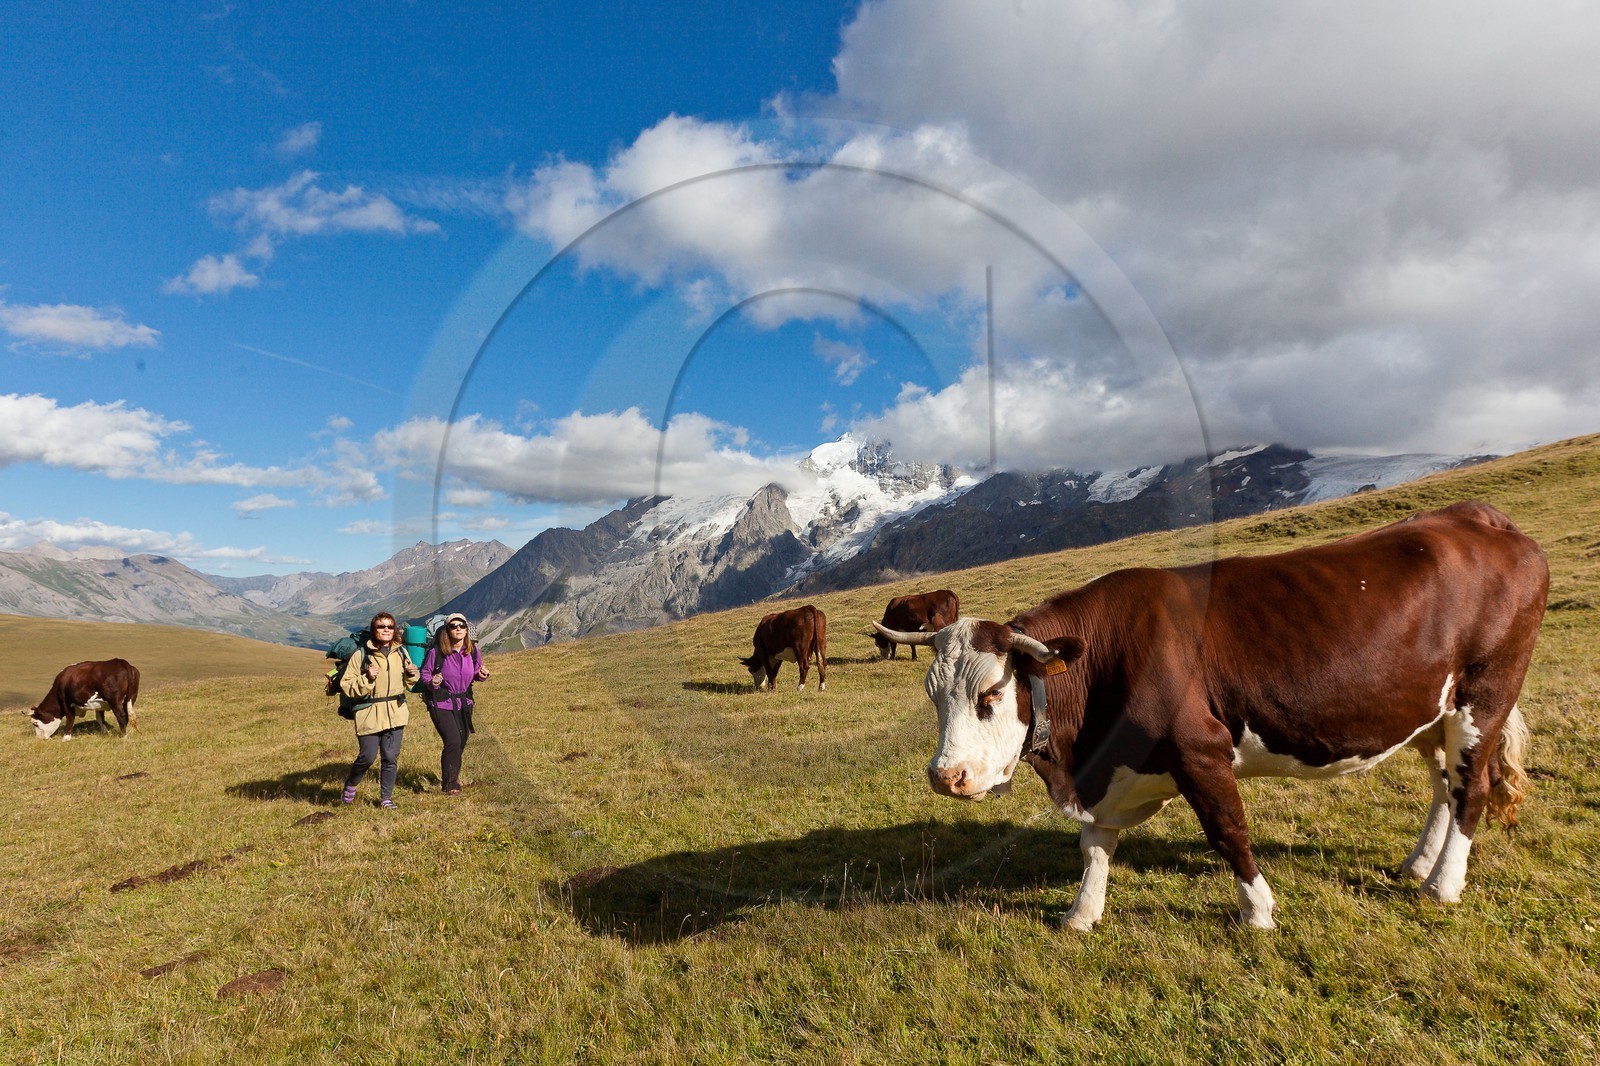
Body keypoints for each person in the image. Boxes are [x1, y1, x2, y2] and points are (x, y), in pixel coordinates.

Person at [339, 611, 420, 809]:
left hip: (395, 710)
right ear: (374, 629)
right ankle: (351, 786)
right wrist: (367, 678)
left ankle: (386, 798)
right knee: (367, 757)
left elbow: (409, 683)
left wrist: (413, 673)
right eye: (381, 626)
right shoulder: (361, 654)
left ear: (395, 630)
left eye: (390, 626)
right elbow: (347, 685)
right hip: (369, 712)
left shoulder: (400, 652)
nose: (386, 630)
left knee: (390, 757)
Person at [420, 612, 490, 795]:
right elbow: (425, 674)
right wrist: (432, 681)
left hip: (464, 702)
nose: (458, 629)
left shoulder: (472, 651)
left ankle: (453, 776)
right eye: (454, 626)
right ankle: (450, 783)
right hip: (441, 703)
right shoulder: (437, 652)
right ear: (447, 630)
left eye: (462, 625)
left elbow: (476, 672)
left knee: (462, 741)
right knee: (453, 740)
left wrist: (481, 675)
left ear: (467, 630)